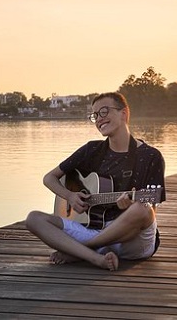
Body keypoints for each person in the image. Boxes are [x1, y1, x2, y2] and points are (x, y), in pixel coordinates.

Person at [26, 92, 166, 271]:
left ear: (124, 113)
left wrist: (128, 207)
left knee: (143, 208)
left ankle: (79, 251)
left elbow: (150, 210)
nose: (99, 119)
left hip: (132, 241)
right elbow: (49, 178)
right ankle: (94, 257)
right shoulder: (91, 150)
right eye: (95, 115)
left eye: (104, 112)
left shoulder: (150, 156)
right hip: (92, 229)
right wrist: (69, 196)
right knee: (34, 219)